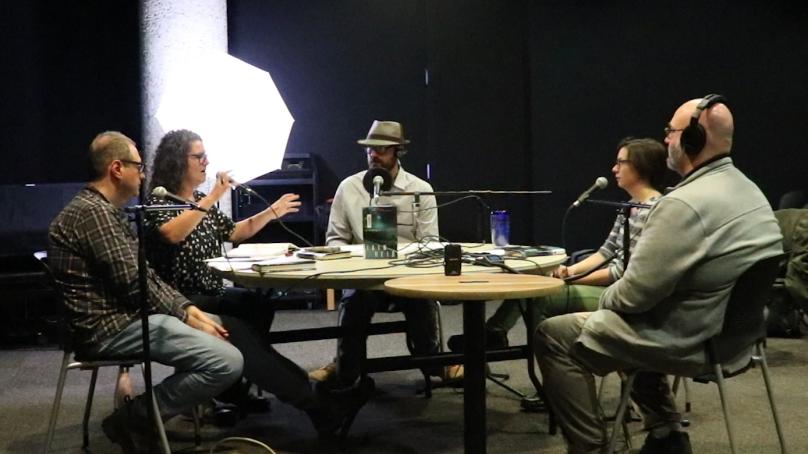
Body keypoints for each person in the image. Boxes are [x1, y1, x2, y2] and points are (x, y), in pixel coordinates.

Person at [533, 95, 783, 454]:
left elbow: (632, 295)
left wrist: (605, 301)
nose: (666, 139)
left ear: (693, 139)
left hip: (690, 338)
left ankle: (592, 449)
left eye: (671, 131)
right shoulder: (750, 191)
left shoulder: (681, 204)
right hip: (737, 336)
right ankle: (666, 432)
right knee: (638, 315)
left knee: (554, 335)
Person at [145, 129, 371, 437]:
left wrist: (271, 212)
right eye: (198, 156)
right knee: (242, 339)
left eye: (205, 156)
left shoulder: (198, 200)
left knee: (256, 305)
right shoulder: (160, 200)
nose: (206, 162)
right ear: (176, 161)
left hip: (211, 292)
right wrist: (213, 197)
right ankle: (318, 405)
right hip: (183, 301)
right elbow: (173, 234)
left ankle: (235, 388)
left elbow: (235, 232)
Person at [48, 131, 244, 452]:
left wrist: (188, 310)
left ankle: (146, 418)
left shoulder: (104, 211)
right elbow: (135, 283)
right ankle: (135, 418)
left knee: (215, 326)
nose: (143, 174)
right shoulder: (92, 214)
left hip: (122, 318)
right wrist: (186, 314)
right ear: (116, 169)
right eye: (137, 166)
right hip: (107, 329)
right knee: (227, 361)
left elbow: (143, 276)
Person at [448, 137, 670, 353]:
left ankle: (544, 354)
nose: (614, 169)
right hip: (611, 287)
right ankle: (497, 336)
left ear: (641, 167)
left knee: (539, 294)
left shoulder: (652, 211)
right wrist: (569, 270)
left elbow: (621, 272)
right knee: (535, 286)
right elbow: (606, 251)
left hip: (624, 297)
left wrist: (570, 279)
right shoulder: (630, 205)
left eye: (621, 162)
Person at [309, 120, 463, 386]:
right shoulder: (349, 188)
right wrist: (360, 258)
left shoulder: (420, 190)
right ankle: (346, 368)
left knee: (422, 302)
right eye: (370, 150)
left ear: (397, 151)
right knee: (355, 301)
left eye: (381, 149)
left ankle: (433, 363)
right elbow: (335, 240)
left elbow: (430, 243)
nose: (374, 155)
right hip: (364, 278)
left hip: (407, 279)